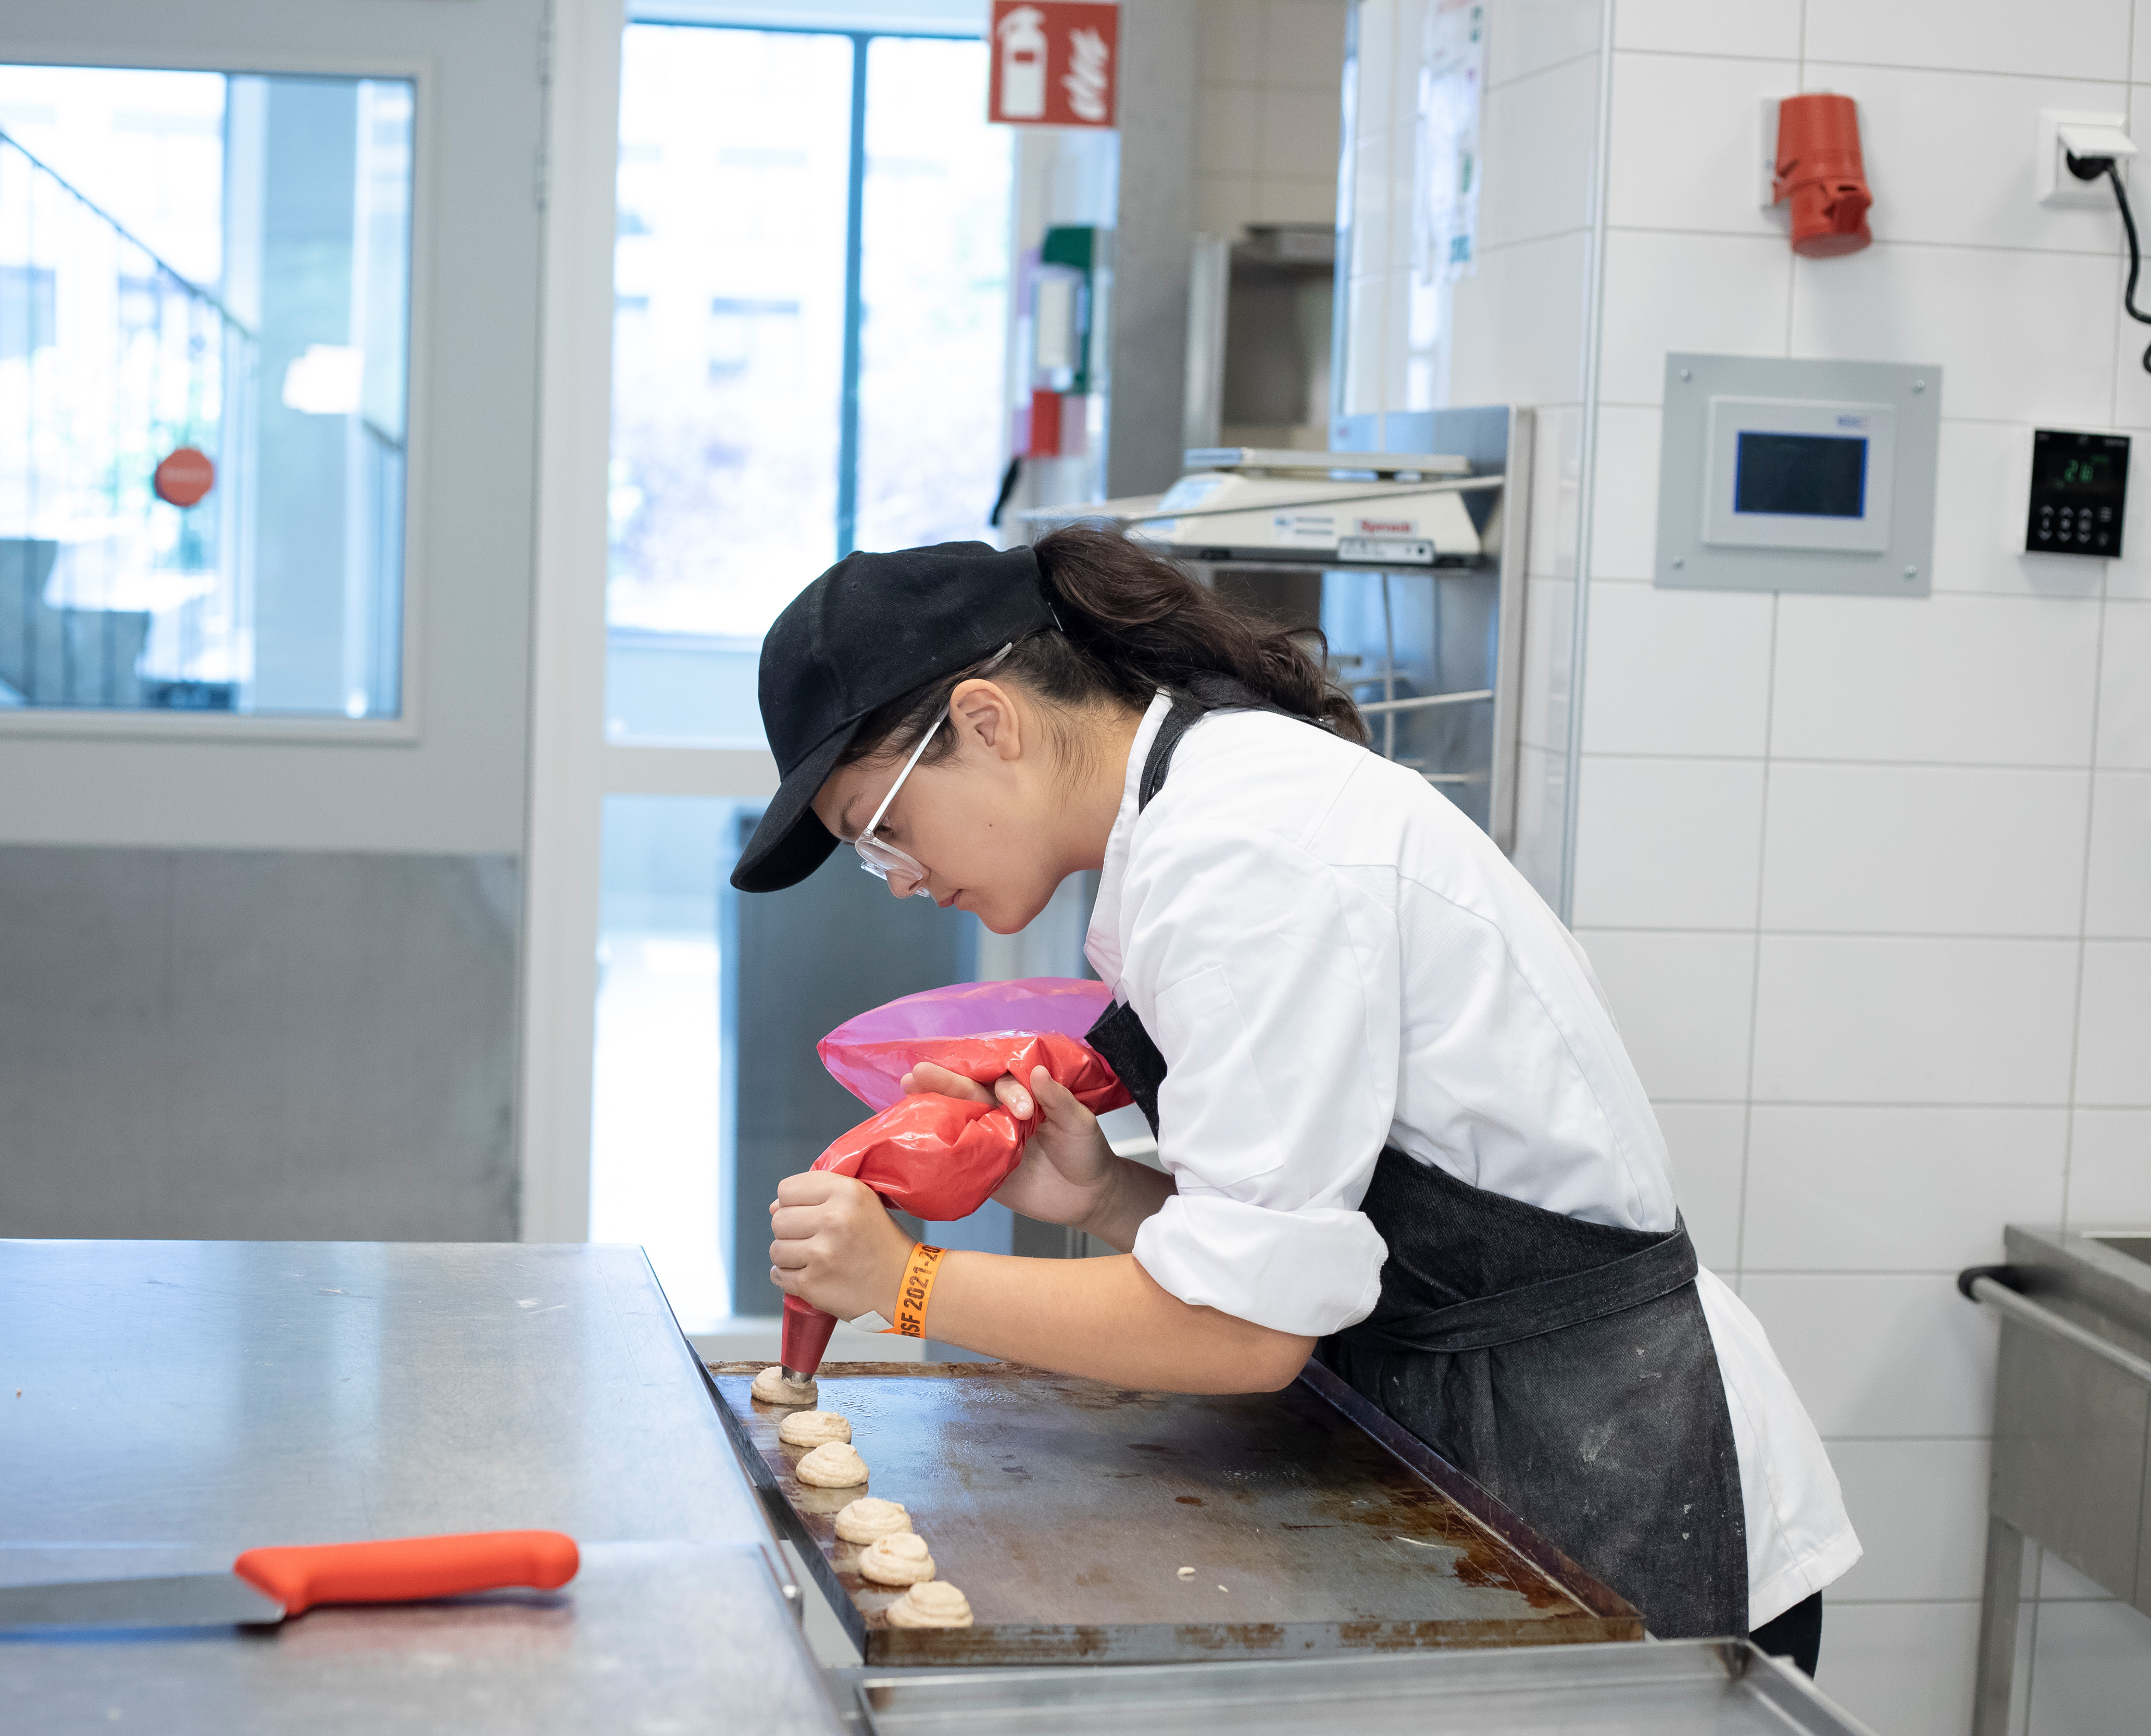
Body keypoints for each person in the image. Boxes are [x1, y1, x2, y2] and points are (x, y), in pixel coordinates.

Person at [730, 530, 1856, 1672]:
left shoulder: (1242, 854)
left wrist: (904, 1280)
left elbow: (1247, 1329)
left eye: (879, 830)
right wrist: (1111, 1193)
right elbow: (1321, 1242)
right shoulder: (1200, 818)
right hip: (1483, 1435)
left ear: (987, 720)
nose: (904, 878)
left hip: (1612, 1476)